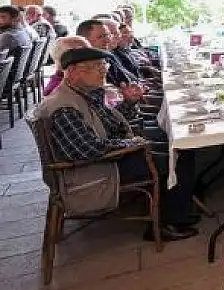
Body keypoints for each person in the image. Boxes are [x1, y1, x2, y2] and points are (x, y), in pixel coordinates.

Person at [39, 47, 198, 240]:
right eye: (95, 66)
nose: (103, 70)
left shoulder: (83, 93)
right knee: (177, 157)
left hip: (107, 159)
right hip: (94, 172)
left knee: (175, 148)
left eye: (103, 65)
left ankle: (180, 205)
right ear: (72, 72)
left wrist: (129, 103)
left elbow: (111, 125)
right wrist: (132, 144)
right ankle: (168, 222)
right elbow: (89, 149)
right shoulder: (64, 106)